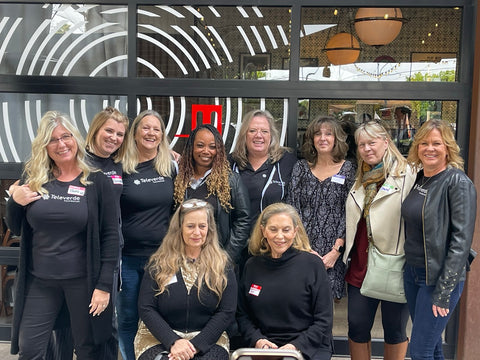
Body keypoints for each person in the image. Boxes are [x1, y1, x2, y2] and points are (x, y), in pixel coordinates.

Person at [5, 111, 119, 359]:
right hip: (40, 281)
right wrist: (14, 201)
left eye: (65, 136)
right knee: (31, 349)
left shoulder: (97, 182)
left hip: (83, 283)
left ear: (75, 138)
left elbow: (111, 237)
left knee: (88, 347)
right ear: (44, 146)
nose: (61, 144)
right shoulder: (34, 179)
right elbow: (15, 227)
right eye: (52, 139)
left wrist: (104, 286)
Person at [44, 106, 129, 360]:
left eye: (120, 134)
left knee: (104, 324)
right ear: (96, 130)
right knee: (66, 325)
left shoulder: (118, 165)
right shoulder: (77, 161)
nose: (114, 137)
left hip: (109, 254)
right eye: (109, 131)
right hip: (78, 256)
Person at [402, 119, 476, 360]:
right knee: (431, 347)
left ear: (448, 148)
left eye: (436, 143)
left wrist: (444, 290)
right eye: (423, 143)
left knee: (419, 350)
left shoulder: (458, 182)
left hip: (438, 278)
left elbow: (461, 242)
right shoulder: (421, 178)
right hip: (413, 273)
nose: (429, 148)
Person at [344, 121, 416, 360]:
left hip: (393, 265)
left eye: (372, 142)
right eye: (361, 144)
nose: (366, 149)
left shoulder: (408, 174)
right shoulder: (360, 176)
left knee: (395, 330)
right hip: (360, 265)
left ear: (386, 142)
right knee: (356, 326)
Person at [134, 198, 237, 360]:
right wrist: (173, 342)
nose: (197, 232)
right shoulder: (159, 263)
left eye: (202, 226)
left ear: (209, 229)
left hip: (208, 339)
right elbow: (146, 308)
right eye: (190, 226)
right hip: (158, 338)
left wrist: (196, 345)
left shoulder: (222, 265)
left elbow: (226, 311)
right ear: (179, 228)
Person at [237, 203, 333, 360]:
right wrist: (258, 340)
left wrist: (294, 347)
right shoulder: (252, 266)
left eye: (286, 230)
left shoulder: (313, 265)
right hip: (264, 347)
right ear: (263, 231)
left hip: (307, 346)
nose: (279, 236)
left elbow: (324, 320)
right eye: (273, 229)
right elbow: (242, 315)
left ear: (295, 231)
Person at [118, 109, 177, 360]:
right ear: (135, 132)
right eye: (146, 127)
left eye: (156, 129)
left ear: (162, 135)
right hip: (128, 258)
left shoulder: (170, 166)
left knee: (162, 315)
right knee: (129, 316)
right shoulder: (121, 167)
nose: (151, 133)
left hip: (163, 259)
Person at [287, 116, 355, 299]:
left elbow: (350, 213)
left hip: (332, 254)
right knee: (298, 301)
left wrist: (335, 252)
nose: (323, 138)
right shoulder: (300, 168)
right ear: (311, 139)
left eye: (328, 134)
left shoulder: (348, 170)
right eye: (317, 134)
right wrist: (304, 248)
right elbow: (292, 208)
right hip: (301, 248)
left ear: (337, 139)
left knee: (325, 308)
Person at [174, 123, 250, 265]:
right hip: (184, 259)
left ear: (219, 150)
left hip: (217, 260)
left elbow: (243, 220)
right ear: (191, 148)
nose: (206, 151)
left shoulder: (231, 180)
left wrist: (226, 257)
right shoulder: (179, 179)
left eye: (212, 147)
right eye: (200, 145)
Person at [229, 109, 297, 225]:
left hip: (274, 238)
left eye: (264, 131)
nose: (258, 135)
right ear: (244, 135)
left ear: (272, 135)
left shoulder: (287, 161)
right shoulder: (231, 163)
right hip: (237, 239)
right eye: (252, 131)